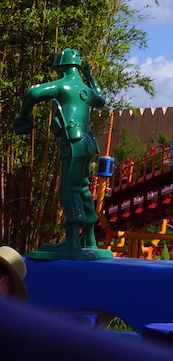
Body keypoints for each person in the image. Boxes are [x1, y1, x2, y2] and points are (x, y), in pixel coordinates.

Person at [13, 49, 112, 260]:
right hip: (88, 143)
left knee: (68, 190)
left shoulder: (63, 85)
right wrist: (90, 76)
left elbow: (33, 92)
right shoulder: (85, 90)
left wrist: (23, 116)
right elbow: (101, 100)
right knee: (83, 189)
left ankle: (72, 241)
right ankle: (89, 240)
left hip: (72, 141)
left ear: (61, 67)